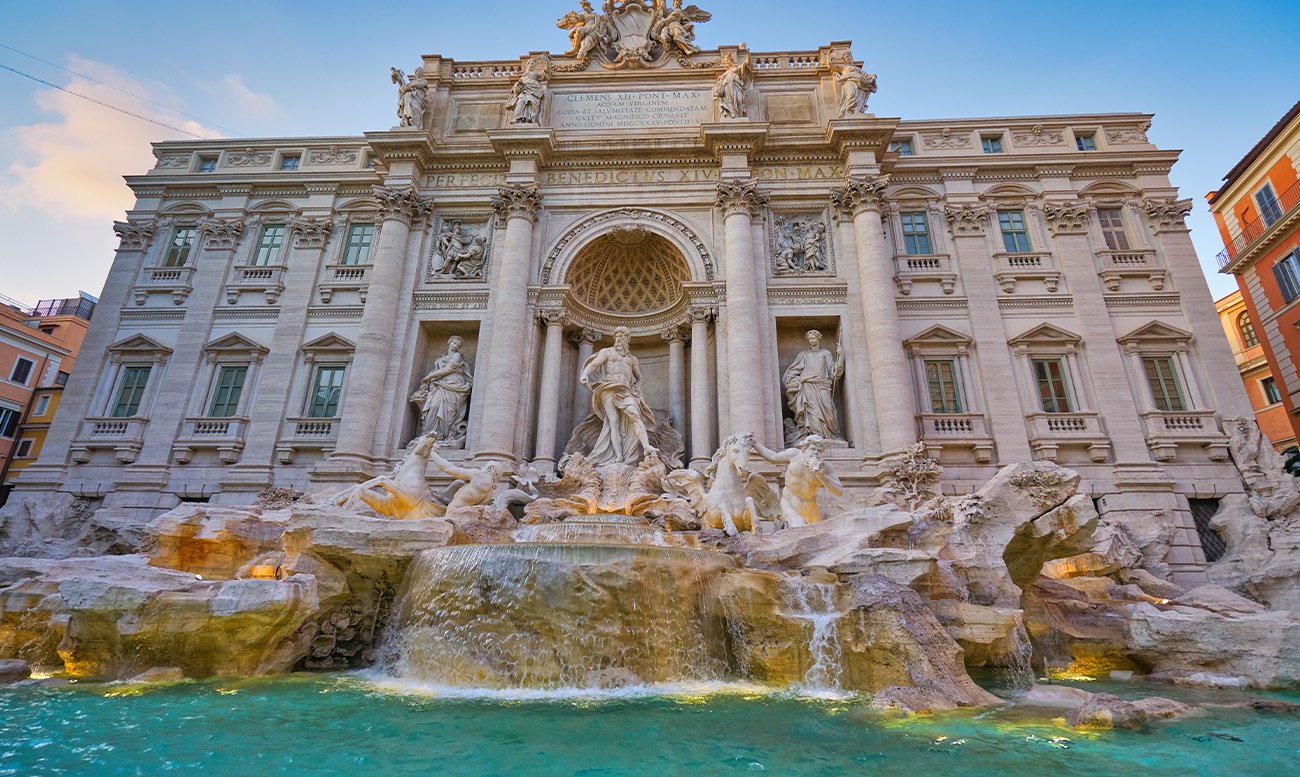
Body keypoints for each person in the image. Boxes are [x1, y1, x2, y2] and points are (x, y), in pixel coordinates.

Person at [578, 326, 658, 465]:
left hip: (625, 391)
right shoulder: (607, 352)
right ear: (615, 338)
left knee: (635, 415)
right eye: (618, 336)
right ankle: (619, 456)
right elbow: (593, 365)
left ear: (628, 340)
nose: (621, 339)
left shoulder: (632, 359)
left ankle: (646, 446)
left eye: (624, 336)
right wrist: (585, 374)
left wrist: (637, 387)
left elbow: (640, 378)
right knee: (613, 423)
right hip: (608, 389)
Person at [752, 435, 844, 527]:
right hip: (789, 503)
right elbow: (773, 457)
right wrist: (754, 443)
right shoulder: (793, 455)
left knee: (819, 535)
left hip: (810, 507)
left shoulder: (825, 468)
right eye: (812, 449)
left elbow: (839, 491)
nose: (816, 453)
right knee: (798, 527)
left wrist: (822, 476)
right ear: (805, 449)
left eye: (819, 450)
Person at [782, 329, 844, 440]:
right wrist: (791, 379)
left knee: (828, 411)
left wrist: (841, 357)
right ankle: (815, 436)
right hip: (808, 386)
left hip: (823, 385)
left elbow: (833, 372)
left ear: (818, 338)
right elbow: (793, 370)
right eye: (809, 339)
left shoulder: (825, 353)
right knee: (812, 411)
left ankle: (830, 434)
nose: (811, 340)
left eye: (813, 338)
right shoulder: (804, 354)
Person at [412, 336, 473, 447]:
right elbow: (438, 370)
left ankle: (441, 435)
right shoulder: (442, 357)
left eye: (458, 345)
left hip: (454, 384)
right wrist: (431, 379)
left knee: (449, 411)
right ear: (449, 342)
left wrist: (430, 376)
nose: (455, 346)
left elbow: (448, 369)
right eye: (454, 343)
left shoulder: (457, 356)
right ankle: (428, 433)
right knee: (434, 405)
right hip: (440, 384)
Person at [507, 57, 549, 125]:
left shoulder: (535, 74)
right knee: (520, 101)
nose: (532, 65)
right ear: (527, 64)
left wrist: (547, 63)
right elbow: (516, 87)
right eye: (531, 64)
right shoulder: (523, 77)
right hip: (524, 91)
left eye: (534, 64)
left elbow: (545, 73)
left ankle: (530, 119)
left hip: (534, 91)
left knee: (532, 105)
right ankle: (517, 118)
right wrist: (517, 88)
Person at [712, 52, 750, 119]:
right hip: (728, 89)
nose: (727, 62)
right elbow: (720, 83)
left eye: (728, 60)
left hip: (736, 86)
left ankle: (739, 116)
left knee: (739, 100)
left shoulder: (737, 69)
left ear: (731, 60)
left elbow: (746, 63)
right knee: (729, 102)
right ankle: (732, 115)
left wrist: (747, 52)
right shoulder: (726, 73)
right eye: (726, 61)